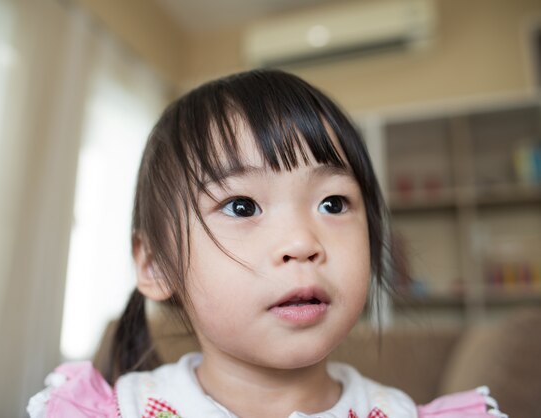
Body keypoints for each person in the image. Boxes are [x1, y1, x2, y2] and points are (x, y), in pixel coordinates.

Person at [27, 70, 506, 418]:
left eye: (334, 204)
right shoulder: (117, 411)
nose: (302, 243)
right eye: (242, 207)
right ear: (156, 266)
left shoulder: (399, 413)